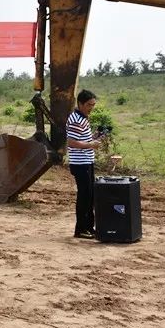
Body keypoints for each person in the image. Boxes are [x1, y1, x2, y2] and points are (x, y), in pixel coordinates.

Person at [66, 89, 104, 239]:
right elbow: (72, 142)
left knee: (90, 196)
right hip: (80, 163)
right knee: (85, 197)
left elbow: (81, 139)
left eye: (93, 105)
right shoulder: (76, 119)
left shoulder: (82, 117)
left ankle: (88, 227)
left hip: (86, 161)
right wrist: (90, 145)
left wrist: (94, 138)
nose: (91, 108)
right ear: (80, 104)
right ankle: (81, 229)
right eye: (89, 105)